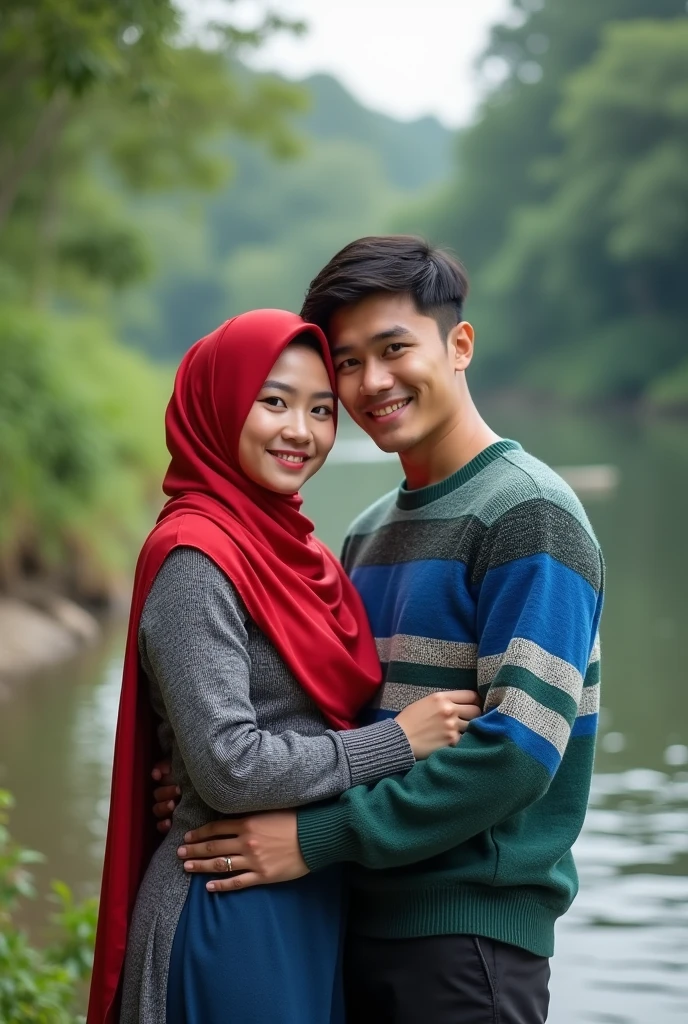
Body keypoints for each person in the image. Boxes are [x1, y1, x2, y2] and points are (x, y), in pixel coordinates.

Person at [169, 238, 605, 1024]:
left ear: (459, 345)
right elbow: (335, 722)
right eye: (346, 362)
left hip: (466, 941)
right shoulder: (366, 534)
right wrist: (203, 778)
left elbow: (515, 754)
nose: (372, 383)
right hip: (348, 923)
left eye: (394, 348)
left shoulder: (529, 513)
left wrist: (314, 837)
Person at [86, 308, 482, 1024]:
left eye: (322, 410)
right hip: (225, 904)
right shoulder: (197, 558)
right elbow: (230, 767)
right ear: (220, 404)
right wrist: (398, 742)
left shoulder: (296, 552)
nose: (301, 430)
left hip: (301, 894)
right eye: (274, 402)